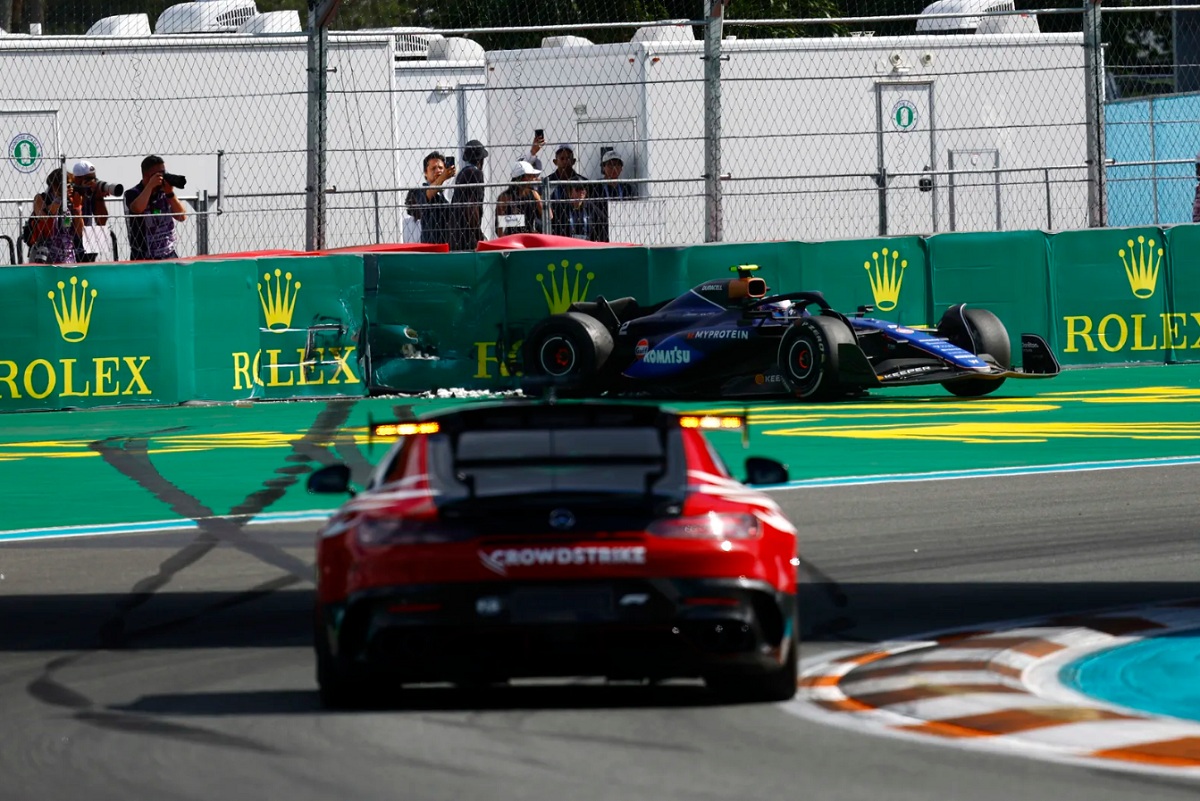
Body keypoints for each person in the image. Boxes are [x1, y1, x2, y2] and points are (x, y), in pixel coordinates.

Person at [124, 155, 187, 261]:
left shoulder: (165, 192)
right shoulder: (132, 193)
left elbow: (182, 217)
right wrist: (150, 186)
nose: (162, 177)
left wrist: (170, 193)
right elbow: (137, 209)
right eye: (159, 174)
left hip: (168, 254)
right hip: (143, 256)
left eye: (164, 172)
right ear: (147, 176)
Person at [28, 167, 84, 265]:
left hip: (67, 254)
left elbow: (79, 232)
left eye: (71, 184)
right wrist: (59, 200)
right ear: (55, 186)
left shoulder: (70, 203)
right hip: (44, 253)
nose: (70, 187)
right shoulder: (41, 198)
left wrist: (77, 208)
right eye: (67, 185)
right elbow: (43, 217)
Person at [405, 151, 455, 246]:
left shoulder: (446, 193)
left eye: (441, 168)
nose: (438, 171)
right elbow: (428, 194)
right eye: (433, 168)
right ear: (425, 173)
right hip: (430, 247)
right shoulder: (420, 191)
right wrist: (443, 177)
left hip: (446, 246)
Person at [450, 139, 488, 252]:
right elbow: (472, 207)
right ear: (481, 160)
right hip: (468, 236)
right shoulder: (476, 174)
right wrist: (478, 235)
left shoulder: (462, 174)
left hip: (456, 233)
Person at [70, 160, 111, 262]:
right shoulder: (69, 192)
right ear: (77, 179)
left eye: (94, 178)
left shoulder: (91, 194)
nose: (92, 182)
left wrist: (99, 197)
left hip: (86, 239)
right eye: (88, 179)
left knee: (99, 232)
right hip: (68, 240)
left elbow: (101, 221)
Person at [593, 149, 636, 243]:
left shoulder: (627, 188)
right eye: (610, 165)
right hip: (602, 229)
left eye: (617, 164)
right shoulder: (596, 187)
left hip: (624, 227)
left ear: (621, 168)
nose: (614, 168)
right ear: (603, 167)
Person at [495, 161, 544, 236]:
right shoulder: (505, 197)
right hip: (512, 239)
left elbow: (549, 216)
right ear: (523, 178)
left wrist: (540, 199)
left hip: (529, 237)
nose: (535, 178)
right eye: (531, 175)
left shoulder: (533, 194)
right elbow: (499, 228)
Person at [550, 177, 600, 241]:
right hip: (566, 244)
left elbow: (603, 222)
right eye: (577, 189)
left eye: (583, 189)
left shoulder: (590, 207)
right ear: (570, 192)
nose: (581, 192)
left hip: (587, 245)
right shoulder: (561, 208)